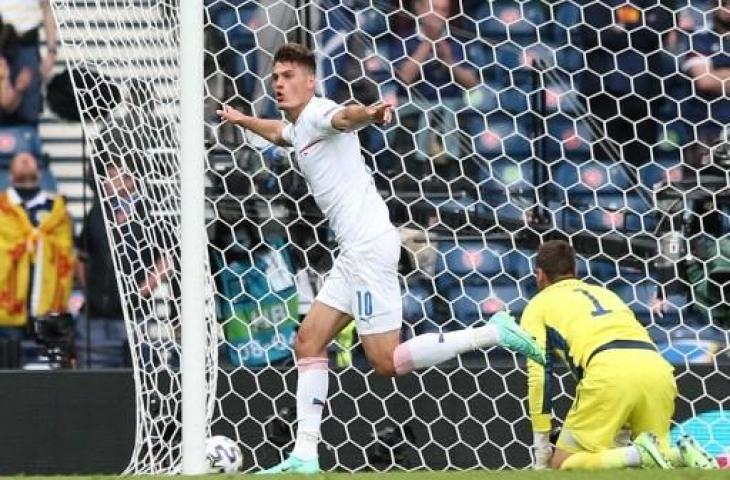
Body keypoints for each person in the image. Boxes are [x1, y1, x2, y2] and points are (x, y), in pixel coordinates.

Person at [217, 42, 544, 474]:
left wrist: (370, 115)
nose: (279, 83)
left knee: (386, 362)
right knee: (308, 343)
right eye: (275, 76)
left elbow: (344, 117)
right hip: (352, 254)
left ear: (310, 81)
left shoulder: (319, 112)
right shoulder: (298, 127)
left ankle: (492, 333)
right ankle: (304, 456)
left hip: (369, 249)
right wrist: (242, 120)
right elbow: (280, 132)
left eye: (289, 75)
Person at [520, 240, 717, 470]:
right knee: (657, 465)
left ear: (540, 275)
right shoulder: (607, 294)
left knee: (564, 465)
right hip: (656, 369)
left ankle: (637, 455)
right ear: (576, 271)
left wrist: (541, 443)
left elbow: (539, 375)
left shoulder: (537, 306)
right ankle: (680, 456)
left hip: (608, 373)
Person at [0, 151, 73, 343]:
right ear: (9, 175)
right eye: (19, 160)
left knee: (46, 371)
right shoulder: (2, 208)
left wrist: (40, 242)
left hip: (48, 310)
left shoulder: (57, 210)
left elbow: (66, 251)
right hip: (6, 312)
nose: (25, 161)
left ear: (40, 173)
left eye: (29, 159)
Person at [0, 0, 58, 125]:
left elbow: (47, 10)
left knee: (28, 111)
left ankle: (26, 141)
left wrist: (51, 52)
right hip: (2, 41)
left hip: (27, 44)